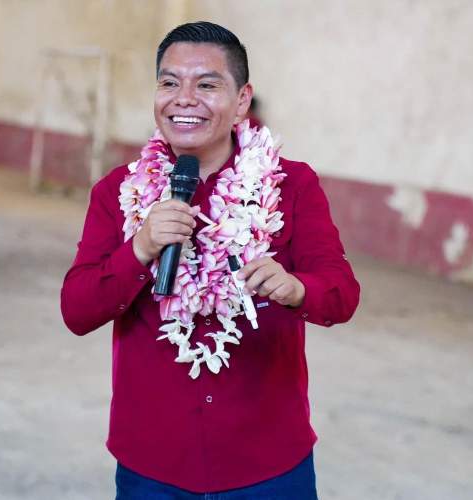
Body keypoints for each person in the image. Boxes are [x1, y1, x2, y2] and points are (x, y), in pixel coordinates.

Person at [61, 22, 360, 498]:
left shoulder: (292, 186)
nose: (184, 98)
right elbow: (77, 311)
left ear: (242, 100)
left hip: (267, 461)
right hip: (153, 463)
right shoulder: (117, 192)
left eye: (207, 84)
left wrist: (297, 289)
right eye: (169, 82)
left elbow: (342, 294)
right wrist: (139, 249)